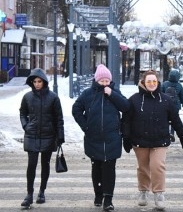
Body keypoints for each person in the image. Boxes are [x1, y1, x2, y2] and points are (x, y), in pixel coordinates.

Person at [121, 70, 183, 210]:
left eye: (154, 81)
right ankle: (143, 191)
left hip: (160, 140)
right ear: (143, 83)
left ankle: (159, 193)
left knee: (158, 166)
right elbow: (126, 120)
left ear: (158, 83)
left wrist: (182, 135)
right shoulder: (134, 100)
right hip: (140, 140)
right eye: (149, 81)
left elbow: (175, 119)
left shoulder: (165, 100)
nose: (151, 84)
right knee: (143, 167)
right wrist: (126, 137)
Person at [72, 64, 130, 211]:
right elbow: (76, 109)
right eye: (102, 81)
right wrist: (86, 126)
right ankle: (98, 194)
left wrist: (112, 94)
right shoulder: (88, 94)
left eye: (107, 81)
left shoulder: (115, 92)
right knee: (97, 169)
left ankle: (108, 199)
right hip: (94, 138)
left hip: (112, 138)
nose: (104, 83)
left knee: (109, 169)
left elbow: (126, 107)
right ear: (96, 80)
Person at [19, 68, 65, 208]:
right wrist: (26, 126)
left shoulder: (53, 97)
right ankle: (29, 194)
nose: (37, 84)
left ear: (44, 82)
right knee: (31, 165)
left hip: (48, 135)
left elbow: (59, 118)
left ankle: (42, 191)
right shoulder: (27, 97)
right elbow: (22, 113)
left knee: (45, 164)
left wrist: (60, 136)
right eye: (34, 81)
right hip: (31, 135)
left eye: (39, 81)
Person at [161, 69, 183, 140]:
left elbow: (160, 94)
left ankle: (166, 133)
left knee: (165, 119)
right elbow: (182, 97)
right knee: (174, 120)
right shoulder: (179, 86)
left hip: (165, 105)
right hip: (175, 106)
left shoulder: (164, 84)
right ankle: (171, 133)